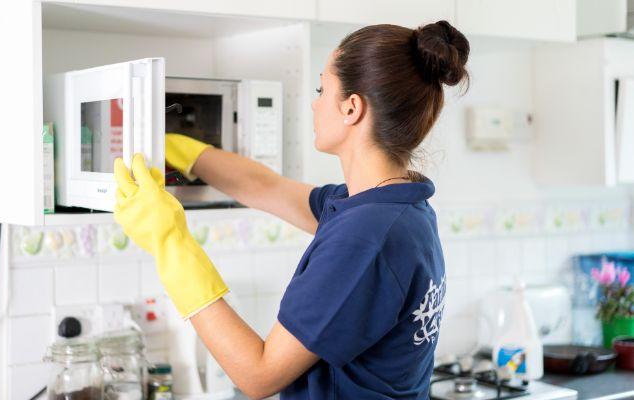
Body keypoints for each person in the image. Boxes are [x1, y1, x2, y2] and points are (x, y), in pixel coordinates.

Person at [113, 20, 470, 400]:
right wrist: (181, 150)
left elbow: (259, 375)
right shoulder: (396, 206)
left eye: (321, 89)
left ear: (352, 108)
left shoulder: (366, 236)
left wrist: (171, 244)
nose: (315, 103)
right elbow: (264, 187)